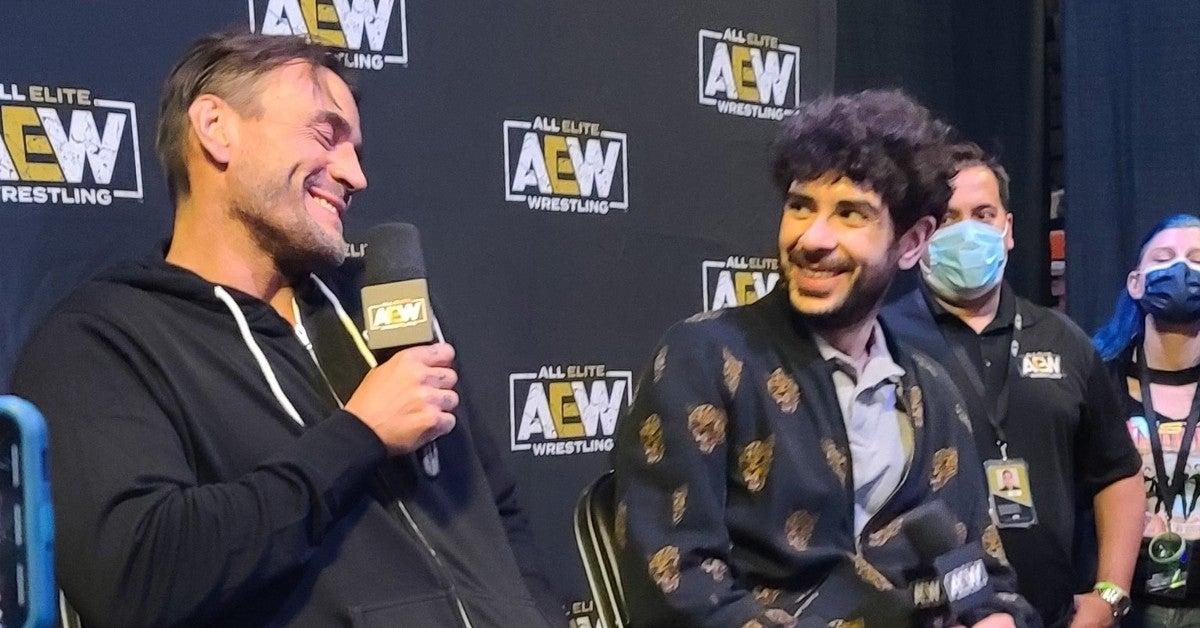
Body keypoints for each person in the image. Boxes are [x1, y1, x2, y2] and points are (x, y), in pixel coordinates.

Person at [10, 32, 558, 627]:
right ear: (216, 128)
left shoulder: (383, 305)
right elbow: (139, 578)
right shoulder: (101, 341)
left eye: (355, 149)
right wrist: (360, 435)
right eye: (326, 135)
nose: (355, 174)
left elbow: (497, 512)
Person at [612, 90, 1038, 627]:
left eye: (850, 214)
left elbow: (977, 574)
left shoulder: (932, 394)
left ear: (912, 243)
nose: (813, 238)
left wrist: (992, 616)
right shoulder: (704, 359)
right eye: (800, 207)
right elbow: (678, 588)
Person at [882, 143, 1143, 627]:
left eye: (983, 214)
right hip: (926, 616)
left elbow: (1118, 473)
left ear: (1008, 229)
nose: (967, 231)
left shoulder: (1064, 339)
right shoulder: (882, 339)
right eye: (947, 218)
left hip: (1055, 615)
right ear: (917, 236)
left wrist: (1110, 594)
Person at [1093, 213, 1200, 627]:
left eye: (1196, 259)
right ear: (1136, 283)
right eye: (1164, 257)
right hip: (1123, 606)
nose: (1181, 269)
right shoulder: (1097, 381)